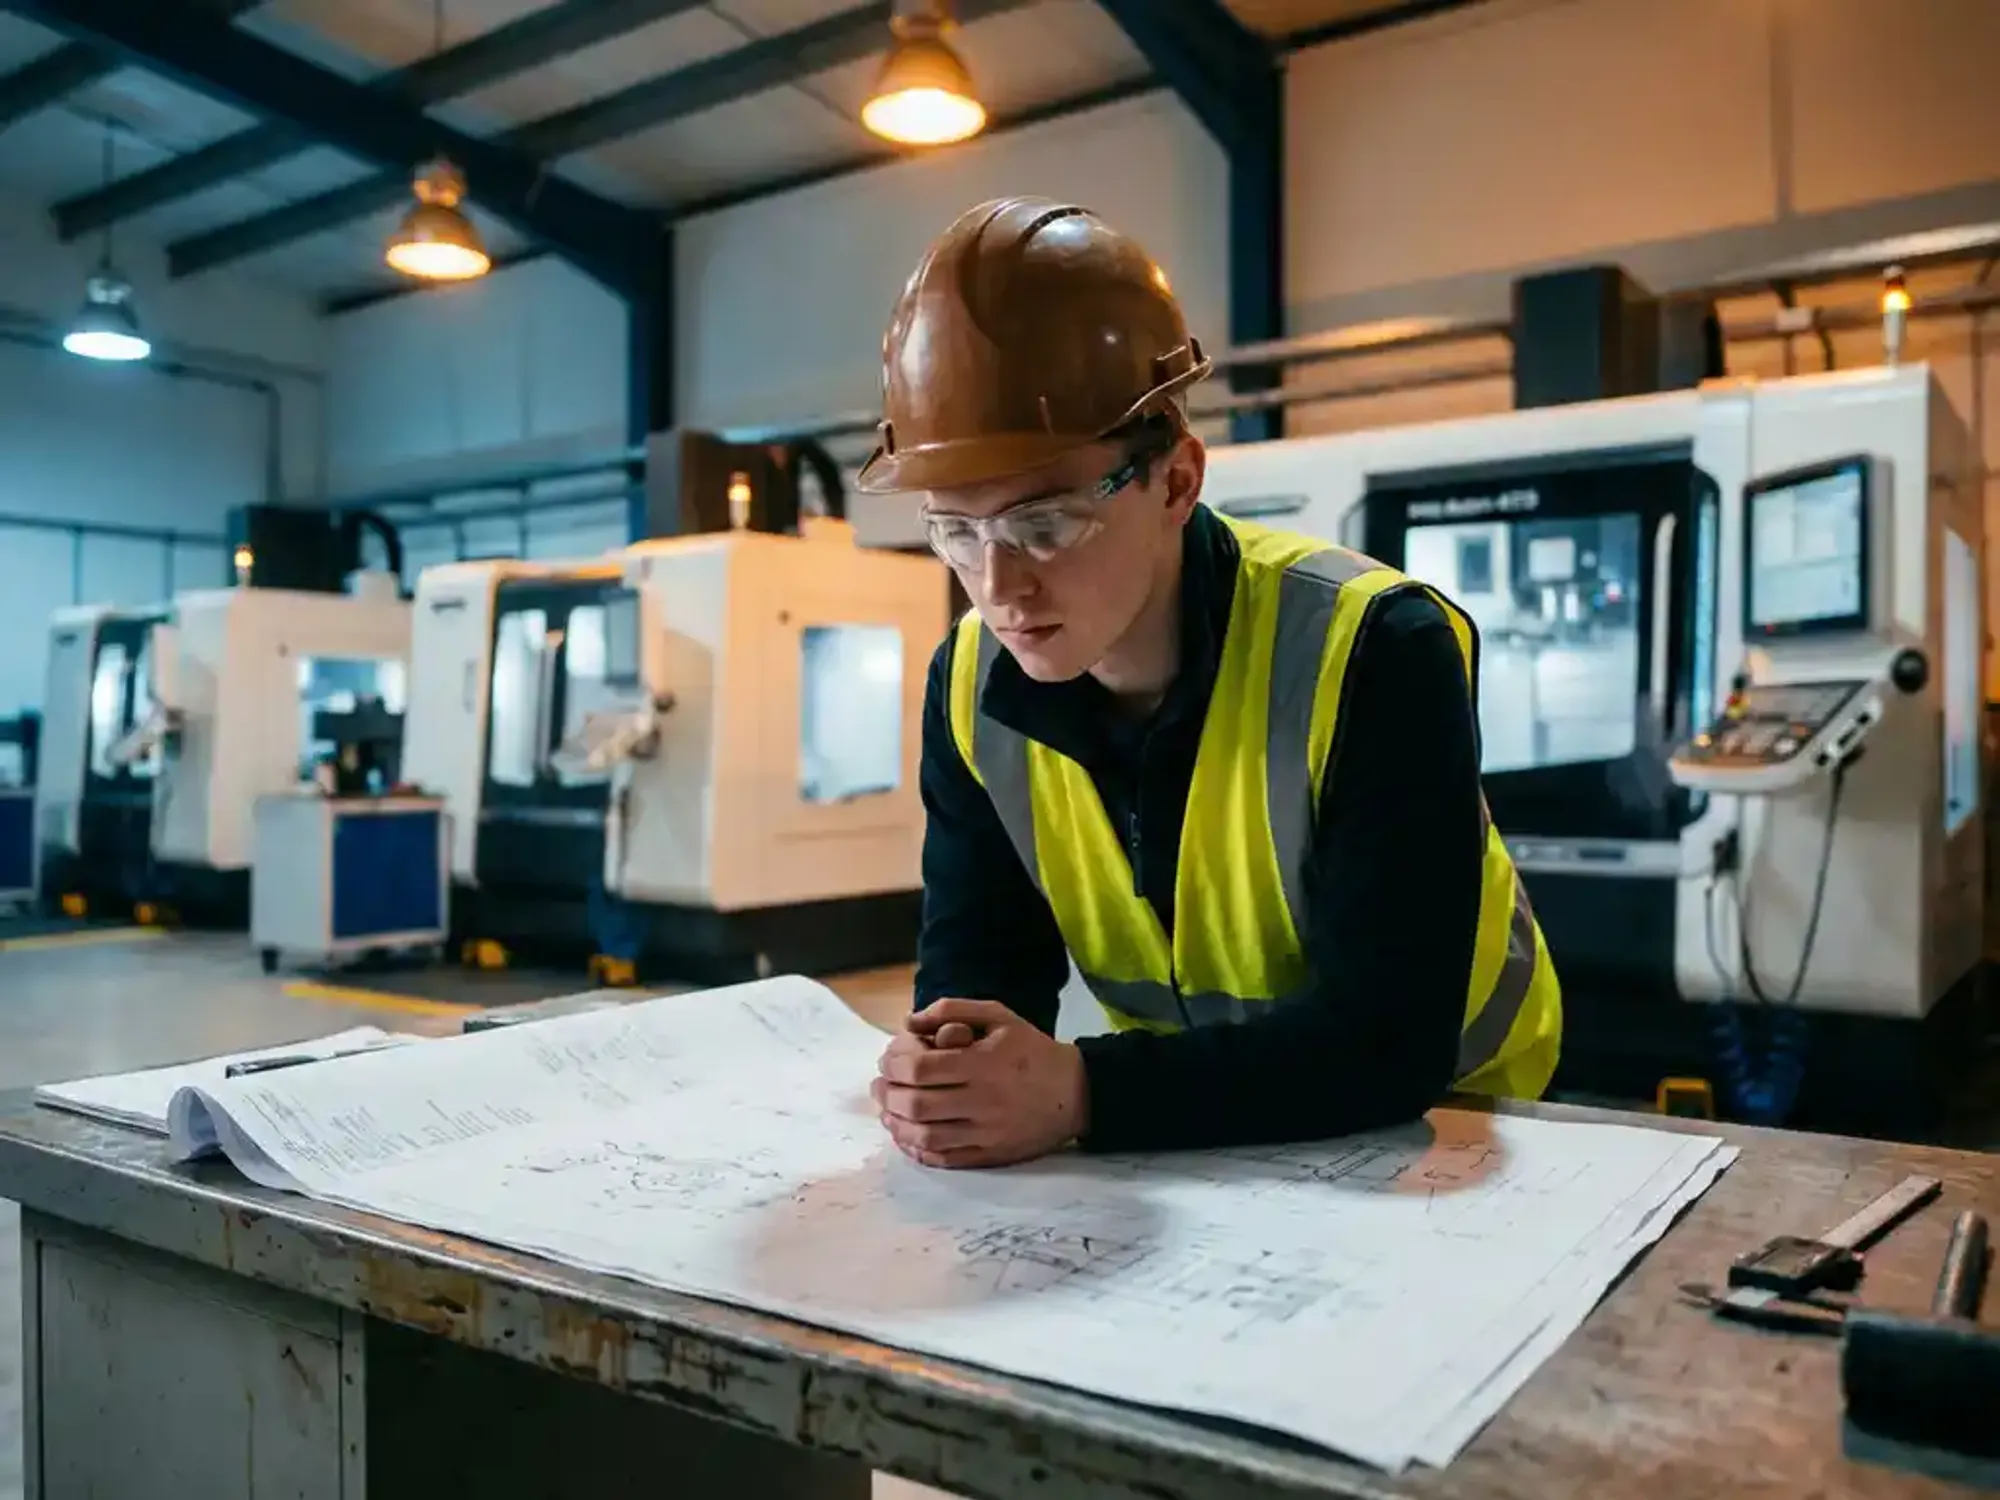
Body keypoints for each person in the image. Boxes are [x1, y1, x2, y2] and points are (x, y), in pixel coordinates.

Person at [853, 197, 1562, 1170]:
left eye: (1043, 524)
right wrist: (947, 1077)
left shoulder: (1373, 649)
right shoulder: (970, 682)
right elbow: (980, 982)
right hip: (1192, 1134)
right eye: (955, 532)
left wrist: (1076, 1091)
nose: (998, 586)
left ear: (1176, 481)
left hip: (1453, 1129)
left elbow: (1387, 1042)